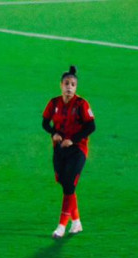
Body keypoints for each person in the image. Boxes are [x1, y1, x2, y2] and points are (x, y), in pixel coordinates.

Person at [42, 65, 95, 238]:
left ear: (76, 87)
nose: (69, 87)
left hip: (77, 150)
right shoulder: (54, 103)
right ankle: (77, 222)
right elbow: (45, 122)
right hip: (59, 149)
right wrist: (54, 133)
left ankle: (61, 226)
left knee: (69, 184)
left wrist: (73, 139)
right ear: (61, 85)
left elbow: (91, 126)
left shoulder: (81, 104)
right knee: (63, 182)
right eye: (66, 83)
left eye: (73, 84)